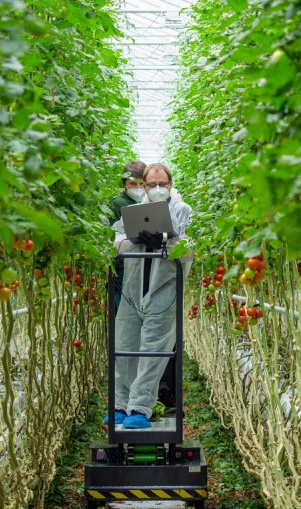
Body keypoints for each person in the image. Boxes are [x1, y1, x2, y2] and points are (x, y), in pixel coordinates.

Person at [107, 163, 192, 429]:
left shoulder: (182, 210)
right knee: (125, 346)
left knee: (154, 352)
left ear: (170, 184)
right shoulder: (132, 212)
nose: (156, 189)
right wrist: (136, 239)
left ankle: (140, 409)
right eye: (151, 184)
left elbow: (189, 249)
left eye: (162, 184)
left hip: (163, 291)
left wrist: (166, 241)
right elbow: (117, 243)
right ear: (143, 185)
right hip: (133, 289)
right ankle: (120, 405)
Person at [109, 161, 147, 308]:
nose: (138, 188)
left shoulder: (147, 202)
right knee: (124, 308)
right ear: (124, 184)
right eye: (132, 184)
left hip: (141, 265)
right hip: (123, 268)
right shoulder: (117, 204)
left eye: (141, 184)